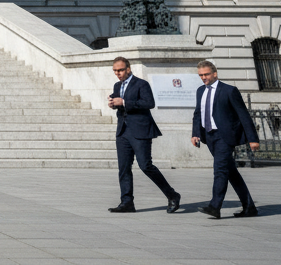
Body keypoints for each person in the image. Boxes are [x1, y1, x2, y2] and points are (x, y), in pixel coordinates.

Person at [107, 56, 179, 214]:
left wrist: (124, 102)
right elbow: (120, 104)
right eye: (115, 71)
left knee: (145, 165)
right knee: (124, 168)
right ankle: (127, 202)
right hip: (123, 131)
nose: (117, 73)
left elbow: (149, 103)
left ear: (128, 69)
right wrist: (113, 103)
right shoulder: (117, 85)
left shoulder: (141, 84)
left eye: (120, 70)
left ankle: (172, 195)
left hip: (140, 130)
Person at [191, 60, 260, 219]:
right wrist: (195, 134)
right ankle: (249, 207)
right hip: (209, 136)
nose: (203, 77)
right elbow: (198, 114)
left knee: (220, 170)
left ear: (215, 73)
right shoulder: (200, 91)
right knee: (231, 172)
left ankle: (214, 207)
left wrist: (253, 138)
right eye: (201, 75)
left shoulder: (229, 90)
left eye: (206, 74)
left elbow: (243, 114)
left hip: (225, 136)